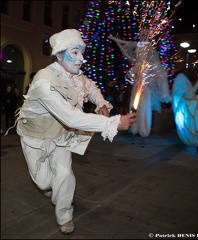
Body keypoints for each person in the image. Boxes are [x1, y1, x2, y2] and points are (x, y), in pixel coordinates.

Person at [13, 29, 136, 235]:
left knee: (64, 175)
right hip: (34, 138)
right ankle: (53, 191)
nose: (81, 59)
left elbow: (90, 87)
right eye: (75, 52)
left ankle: (65, 215)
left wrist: (101, 103)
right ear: (59, 55)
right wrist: (113, 123)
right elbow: (70, 117)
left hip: (61, 136)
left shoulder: (76, 76)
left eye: (82, 52)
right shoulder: (45, 82)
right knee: (43, 182)